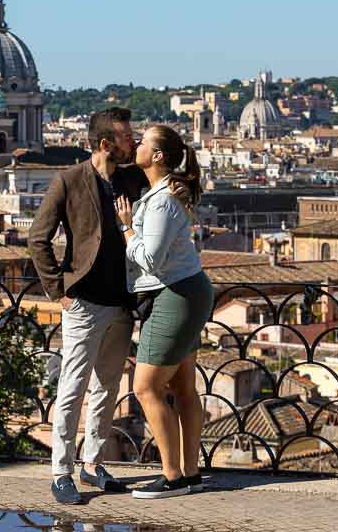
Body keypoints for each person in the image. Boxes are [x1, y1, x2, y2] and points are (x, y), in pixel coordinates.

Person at [29, 107, 149, 505]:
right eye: (126, 136)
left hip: (121, 301)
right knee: (73, 387)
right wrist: (56, 291)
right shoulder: (68, 180)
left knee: (106, 387)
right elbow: (38, 238)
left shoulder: (133, 178)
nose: (132, 140)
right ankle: (61, 471)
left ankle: (93, 464)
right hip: (83, 301)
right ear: (104, 144)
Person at [114, 124, 213, 499]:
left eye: (142, 142)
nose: (135, 144)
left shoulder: (163, 200)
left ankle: (172, 476)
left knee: (145, 387)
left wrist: (126, 229)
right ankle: (189, 472)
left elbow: (151, 258)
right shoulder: (165, 192)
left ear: (156, 156)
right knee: (183, 388)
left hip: (173, 295)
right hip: (188, 291)